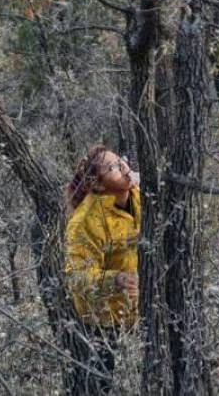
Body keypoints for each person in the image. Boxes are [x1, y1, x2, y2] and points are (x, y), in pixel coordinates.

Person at [64, 145, 141, 394]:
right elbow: (77, 277)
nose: (123, 169)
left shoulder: (139, 197)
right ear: (97, 184)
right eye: (112, 168)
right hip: (101, 321)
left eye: (121, 161)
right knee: (100, 384)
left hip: (136, 314)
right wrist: (114, 280)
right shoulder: (85, 221)